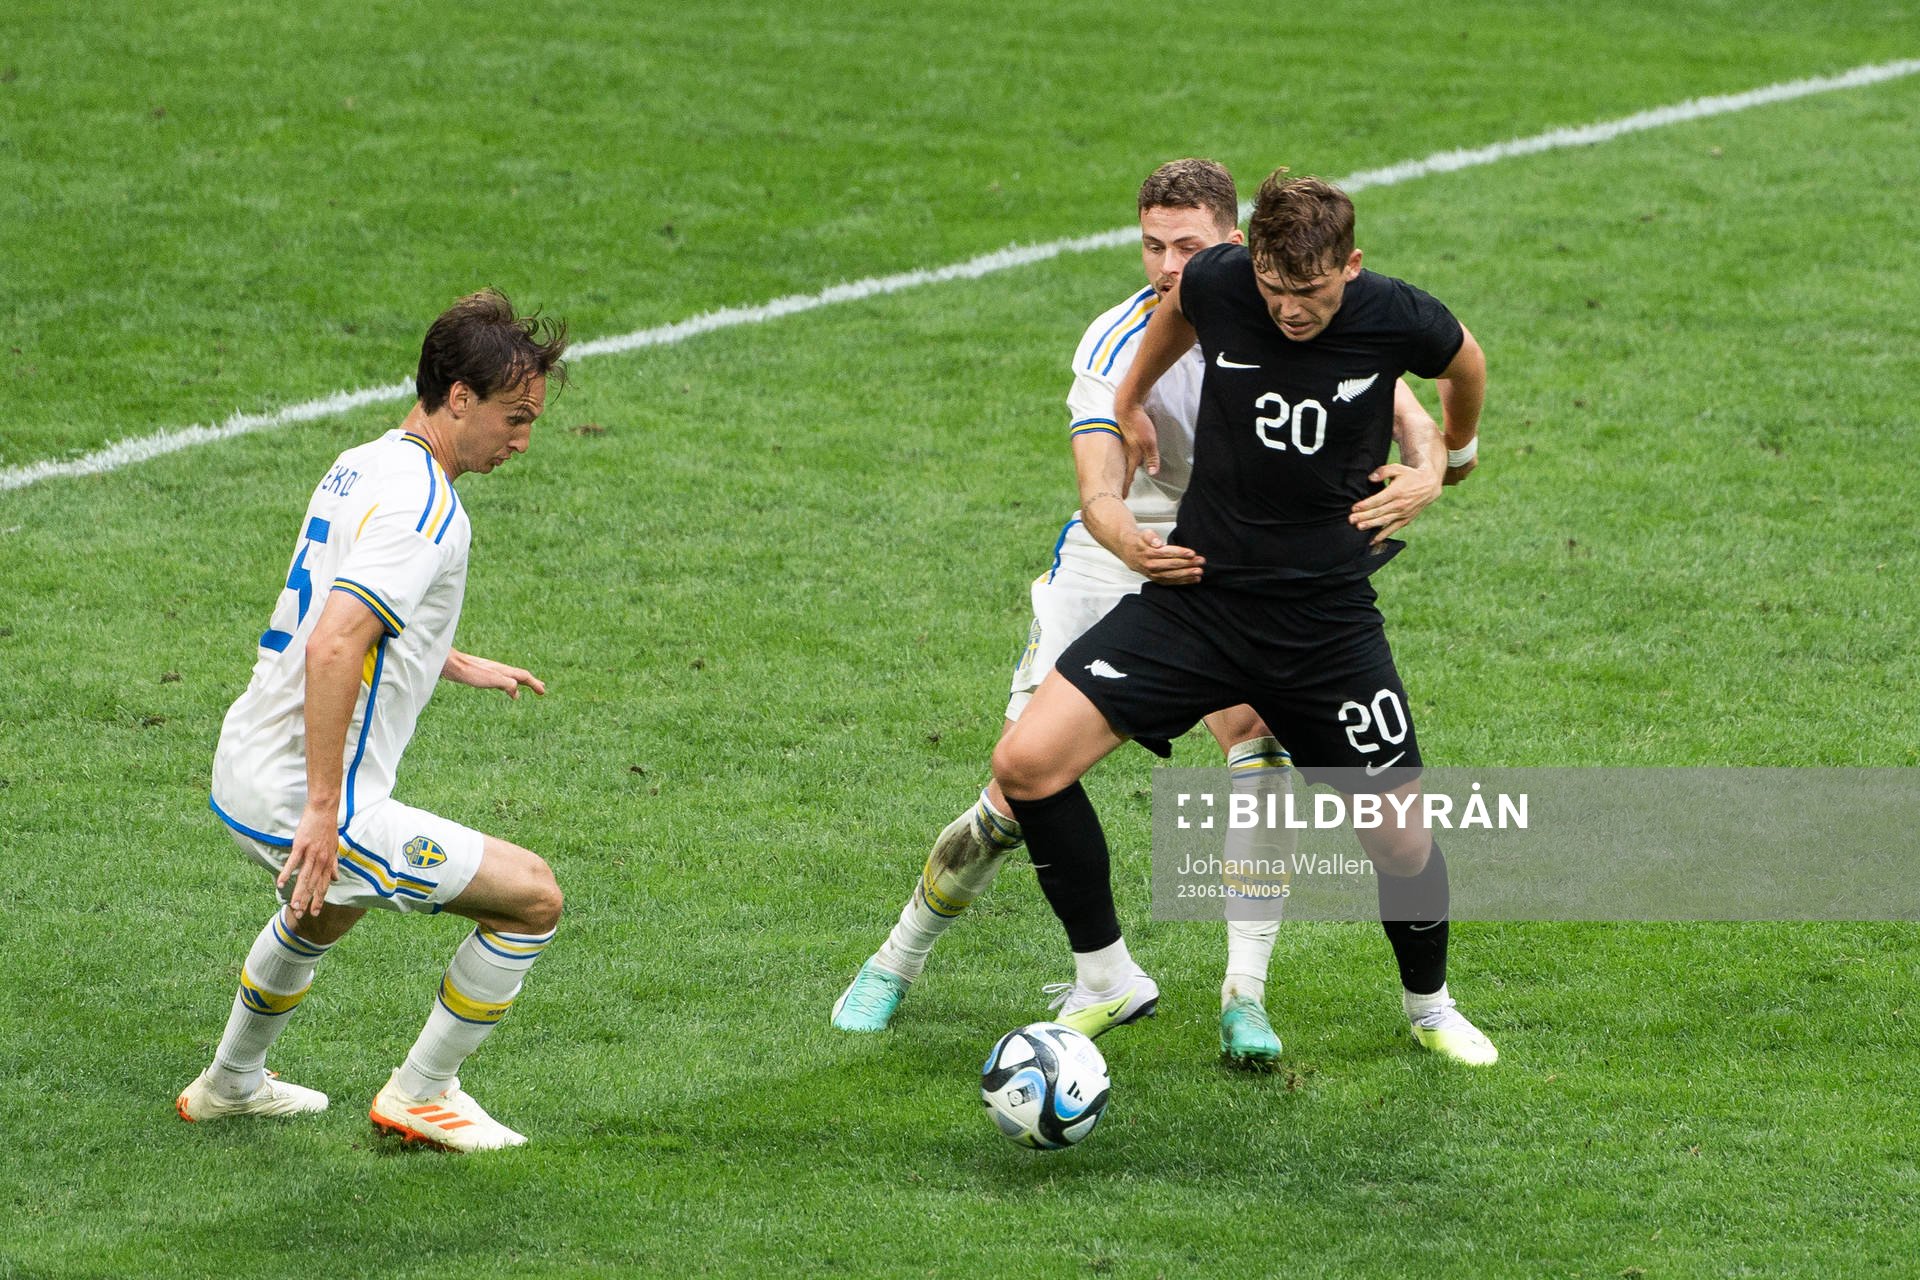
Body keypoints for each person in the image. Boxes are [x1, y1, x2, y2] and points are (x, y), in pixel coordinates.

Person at [832, 160, 1448, 1067]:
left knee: (1259, 738)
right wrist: (1125, 530)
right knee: (1019, 783)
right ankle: (902, 957)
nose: (1165, 265)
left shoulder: (1292, 311)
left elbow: (1407, 407)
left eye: (1186, 246)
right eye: (1152, 245)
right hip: (1126, 550)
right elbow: (1098, 491)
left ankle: (1245, 993)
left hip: (1250, 567)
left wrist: (1429, 462)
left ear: (1236, 248)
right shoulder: (1117, 341)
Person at [990, 169, 1499, 1067]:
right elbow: (1176, 311)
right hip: (1202, 604)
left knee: (1398, 832)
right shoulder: (1222, 281)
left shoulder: (1397, 314)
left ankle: (1430, 1008)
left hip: (1326, 625)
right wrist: (1131, 397)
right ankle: (1107, 978)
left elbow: (1468, 362)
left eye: (1305, 294)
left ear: (1350, 266)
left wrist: (1447, 459)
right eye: (1271, 290)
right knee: (1026, 763)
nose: (1287, 311)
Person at [176, 289, 572, 1150]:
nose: (523, 441)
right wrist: (323, 811)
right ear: (458, 397)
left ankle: (232, 1083)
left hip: (240, 765)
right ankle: (424, 1093)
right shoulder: (430, 507)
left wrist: (450, 657)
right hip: (303, 794)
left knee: (329, 907)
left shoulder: (363, 461)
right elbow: (334, 647)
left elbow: (345, 605)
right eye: (515, 417)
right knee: (531, 898)